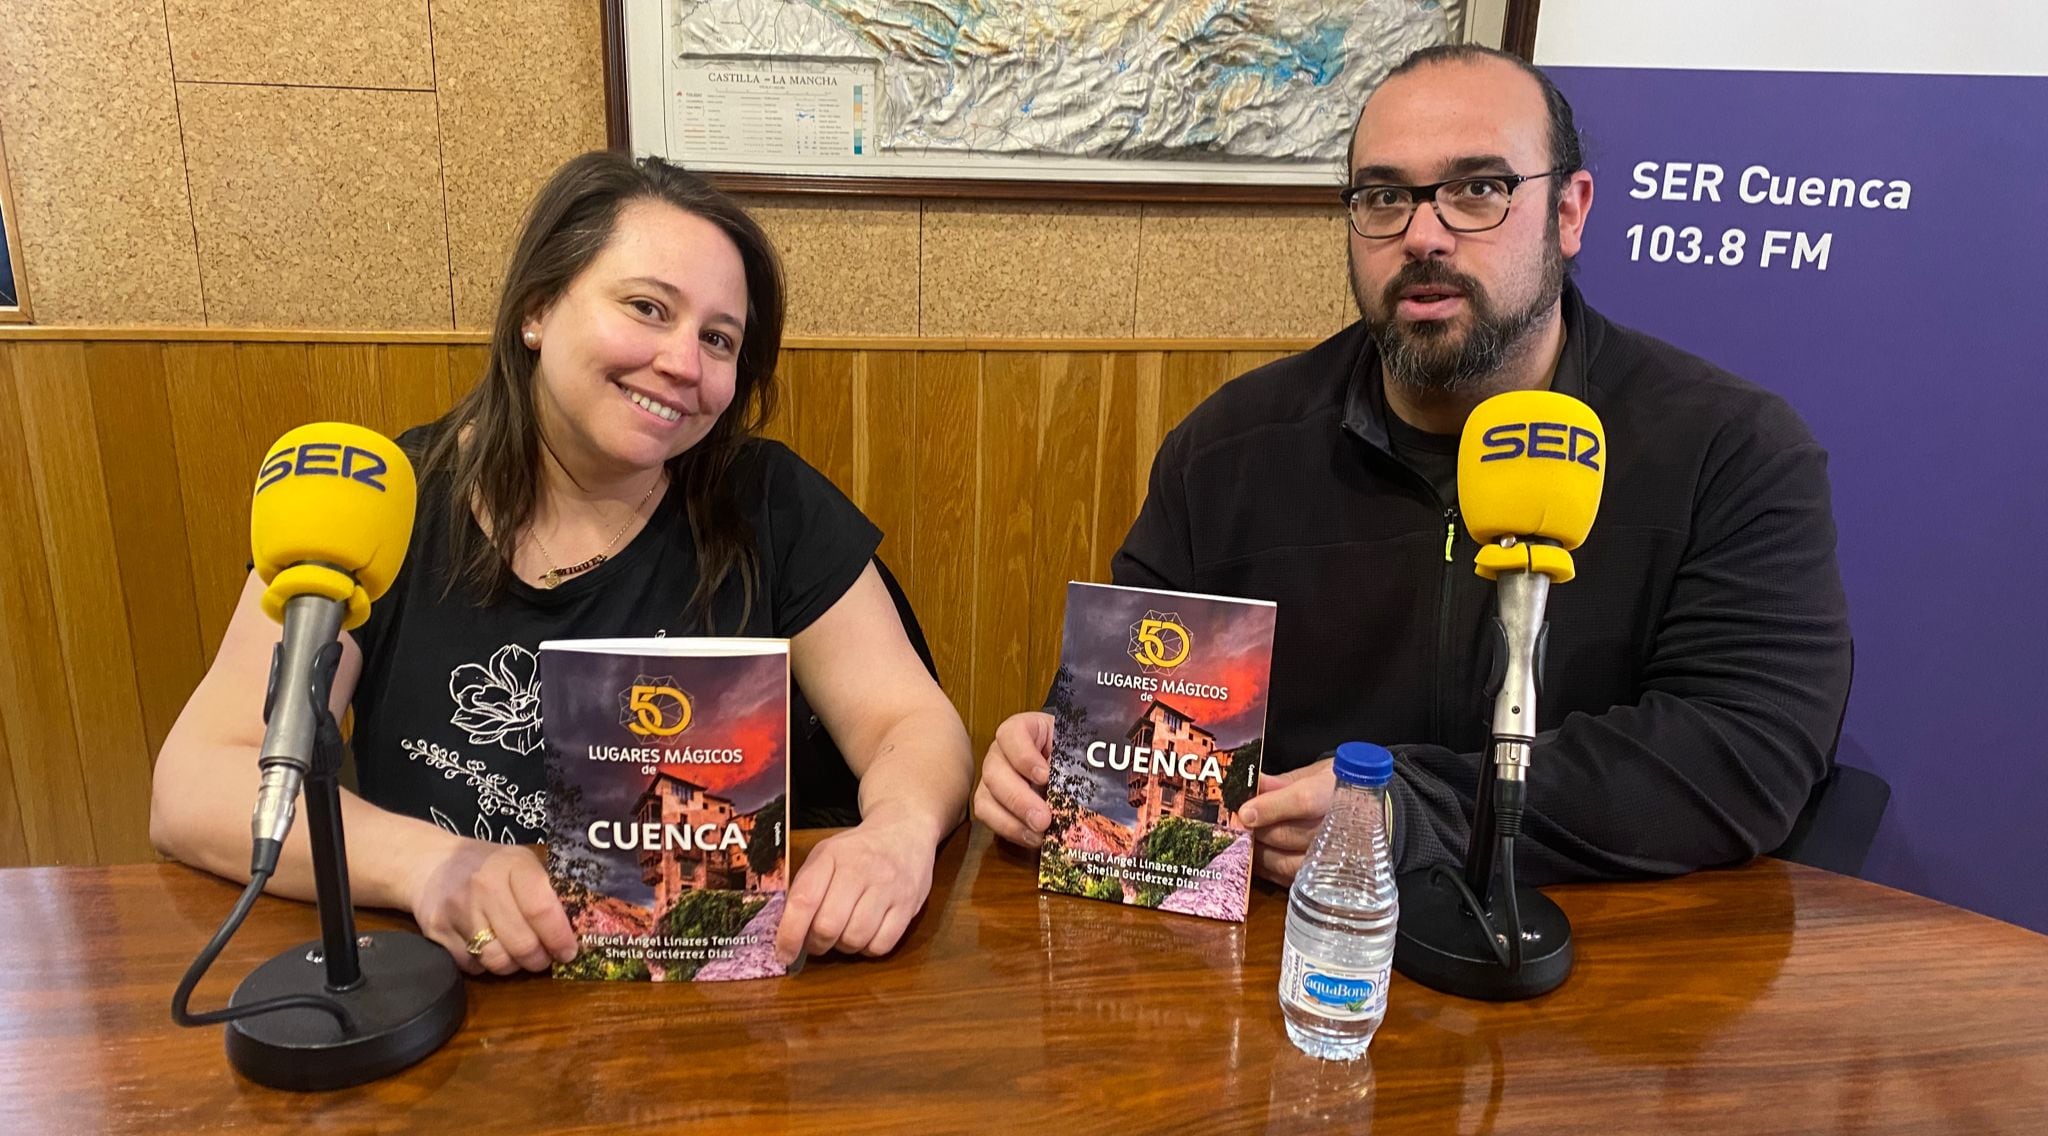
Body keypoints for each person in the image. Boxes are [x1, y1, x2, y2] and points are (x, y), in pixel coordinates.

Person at [973, 44, 1853, 886]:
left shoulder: (1731, 451)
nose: (1424, 234)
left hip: (1597, 971)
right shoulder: (1225, 453)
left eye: (1479, 190)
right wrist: (1062, 758)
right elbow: (1143, 717)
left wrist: (1406, 812)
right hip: (1286, 960)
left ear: (1570, 211)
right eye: (1384, 197)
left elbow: (1748, 749)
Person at [152, 153, 973, 976]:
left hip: (715, 1003)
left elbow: (912, 723)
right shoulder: (383, 500)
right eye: (648, 308)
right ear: (537, 308)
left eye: (718, 340)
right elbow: (197, 783)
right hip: (463, 999)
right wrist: (429, 867)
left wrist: (896, 835)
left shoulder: (770, 503)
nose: (685, 363)